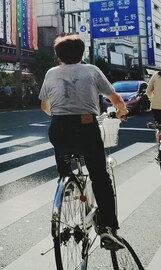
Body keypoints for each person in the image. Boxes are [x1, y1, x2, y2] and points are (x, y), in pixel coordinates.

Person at [39, 34, 128, 250]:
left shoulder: (51, 73)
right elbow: (114, 97)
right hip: (86, 128)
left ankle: (66, 181)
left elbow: (44, 105)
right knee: (99, 176)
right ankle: (107, 228)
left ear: (58, 55)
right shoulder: (91, 70)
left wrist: (60, 116)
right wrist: (122, 110)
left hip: (58, 128)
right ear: (82, 53)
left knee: (63, 154)